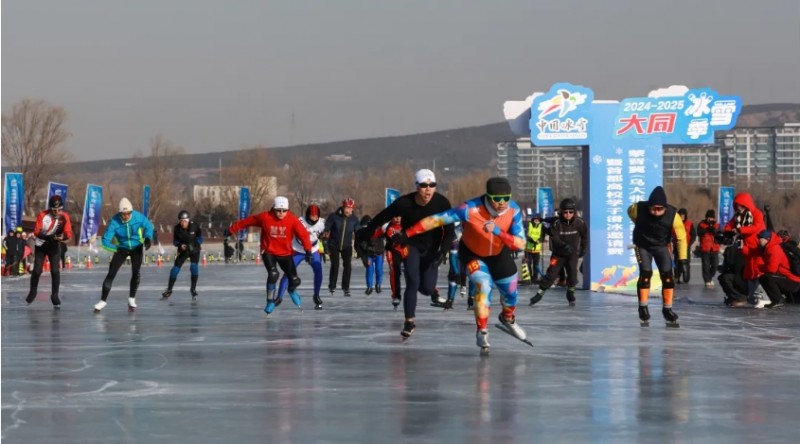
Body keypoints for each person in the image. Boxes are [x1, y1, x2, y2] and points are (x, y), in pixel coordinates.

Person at [391, 177, 526, 351]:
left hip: (499, 254)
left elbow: (520, 244)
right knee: (483, 286)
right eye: (497, 199)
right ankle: (482, 330)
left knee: (511, 294)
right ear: (488, 196)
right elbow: (435, 220)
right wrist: (407, 234)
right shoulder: (469, 208)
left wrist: (498, 231)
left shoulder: (513, 210)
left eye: (506, 198)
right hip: (472, 254)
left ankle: (507, 318)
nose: (502, 203)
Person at [364, 169, 454, 338]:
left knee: (427, 288)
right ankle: (409, 322)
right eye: (424, 186)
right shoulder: (404, 203)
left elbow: (450, 232)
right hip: (410, 245)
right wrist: (365, 235)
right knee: (412, 282)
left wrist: (443, 251)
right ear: (417, 186)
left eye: (432, 185)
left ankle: (423, 284)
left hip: (431, 249)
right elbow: (380, 218)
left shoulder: (441, 203)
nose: (428, 189)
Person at [229, 196, 312, 314]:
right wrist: (232, 229)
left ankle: (291, 290)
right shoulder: (265, 217)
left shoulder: (292, 220)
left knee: (295, 280)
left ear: (288, 210)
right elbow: (247, 221)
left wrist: (308, 251)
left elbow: (303, 235)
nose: (281, 213)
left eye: (284, 211)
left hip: (285, 253)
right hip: (268, 251)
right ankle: (270, 301)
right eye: (278, 210)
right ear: (273, 208)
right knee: (273, 274)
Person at [627, 186, 686, 327]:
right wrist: (638, 223)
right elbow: (629, 212)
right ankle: (643, 307)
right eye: (653, 208)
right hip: (642, 245)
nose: (656, 212)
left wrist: (683, 259)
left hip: (661, 246)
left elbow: (681, 238)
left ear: (665, 207)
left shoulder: (673, 215)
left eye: (660, 209)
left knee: (668, 277)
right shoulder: (637, 209)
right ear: (649, 206)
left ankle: (667, 309)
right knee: (646, 274)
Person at [94, 198, 154, 313]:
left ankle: (131, 299)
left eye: (128, 213)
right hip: (121, 248)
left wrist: (148, 238)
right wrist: (116, 249)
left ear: (131, 212)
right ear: (120, 213)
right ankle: (102, 301)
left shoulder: (137, 217)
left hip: (136, 247)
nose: (126, 216)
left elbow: (148, 226)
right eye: (123, 214)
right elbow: (105, 241)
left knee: (136, 272)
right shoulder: (114, 222)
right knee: (111, 273)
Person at [529, 198, 588, 307]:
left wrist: (584, 248)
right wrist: (564, 245)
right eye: (565, 212)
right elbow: (555, 238)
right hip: (558, 254)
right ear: (561, 212)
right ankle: (540, 293)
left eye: (571, 212)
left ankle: (570, 293)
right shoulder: (557, 223)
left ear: (574, 212)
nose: (568, 214)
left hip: (572, 254)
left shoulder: (579, 223)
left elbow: (585, 236)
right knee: (551, 275)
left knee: (572, 274)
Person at [25, 195, 73, 308]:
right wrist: (48, 237)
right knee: (37, 271)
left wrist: (62, 237)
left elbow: (68, 233)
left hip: (54, 246)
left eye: (59, 210)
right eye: (54, 210)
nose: (57, 212)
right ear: (50, 208)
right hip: (41, 245)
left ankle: (55, 295)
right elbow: (37, 231)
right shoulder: (43, 215)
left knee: (55, 271)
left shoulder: (65, 216)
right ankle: (33, 291)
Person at [277, 203, 326, 309]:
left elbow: (328, 234)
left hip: (313, 250)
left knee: (318, 271)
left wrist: (325, 241)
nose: (314, 219)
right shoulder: (300, 221)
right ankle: (279, 297)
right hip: (298, 249)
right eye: (311, 216)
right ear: (307, 215)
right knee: (288, 272)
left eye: (316, 217)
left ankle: (316, 295)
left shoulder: (322, 223)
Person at [722, 192, 766, 305]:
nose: (738, 208)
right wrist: (726, 232)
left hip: (757, 247)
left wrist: (740, 230)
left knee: (758, 271)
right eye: (736, 205)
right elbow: (729, 225)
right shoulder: (738, 216)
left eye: (740, 205)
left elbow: (756, 227)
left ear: (746, 204)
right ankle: (751, 296)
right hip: (746, 248)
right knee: (749, 272)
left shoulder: (757, 214)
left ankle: (760, 296)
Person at [161, 210, 203, 302]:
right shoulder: (177, 228)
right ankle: (169, 289)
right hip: (183, 250)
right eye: (181, 221)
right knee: (175, 269)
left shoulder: (195, 226)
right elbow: (175, 241)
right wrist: (180, 245)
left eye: (184, 221)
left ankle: (193, 289)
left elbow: (200, 238)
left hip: (194, 250)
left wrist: (195, 244)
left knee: (194, 267)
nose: (182, 223)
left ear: (188, 221)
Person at [323, 198, 360, 297]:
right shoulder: (334, 217)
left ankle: (346, 287)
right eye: (346, 208)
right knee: (335, 265)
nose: (348, 210)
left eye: (350, 208)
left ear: (352, 209)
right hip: (334, 244)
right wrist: (325, 243)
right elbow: (327, 229)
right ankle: (332, 286)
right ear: (343, 207)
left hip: (347, 245)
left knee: (347, 266)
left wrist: (360, 246)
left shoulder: (354, 219)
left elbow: (359, 233)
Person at [754, 230, 800, 308]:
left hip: (793, 280)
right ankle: (777, 299)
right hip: (787, 278)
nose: (758, 240)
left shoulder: (774, 248)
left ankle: (778, 300)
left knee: (766, 277)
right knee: (764, 277)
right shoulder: (768, 248)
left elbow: (772, 269)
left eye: (760, 238)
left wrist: (760, 267)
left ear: (767, 239)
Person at [354, 215, 385, 296]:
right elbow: (357, 246)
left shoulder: (377, 230)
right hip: (368, 254)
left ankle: (378, 284)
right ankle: (369, 287)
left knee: (378, 269)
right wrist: (363, 257)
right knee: (370, 269)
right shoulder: (359, 234)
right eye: (364, 228)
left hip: (378, 253)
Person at [696, 210, 721, 288]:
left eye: (712, 218)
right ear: (706, 218)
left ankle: (710, 277)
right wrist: (707, 229)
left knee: (715, 265)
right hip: (705, 248)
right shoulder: (701, 224)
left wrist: (714, 231)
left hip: (714, 248)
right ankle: (707, 280)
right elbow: (699, 233)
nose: (710, 219)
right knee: (706, 266)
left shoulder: (717, 225)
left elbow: (719, 234)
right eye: (709, 217)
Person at [673, 208, 696, 284]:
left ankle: (686, 278)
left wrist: (689, 243)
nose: (682, 217)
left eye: (683, 215)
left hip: (686, 246)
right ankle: (677, 277)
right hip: (677, 246)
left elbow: (693, 235)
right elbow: (671, 234)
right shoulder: (674, 223)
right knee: (677, 263)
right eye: (680, 215)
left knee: (686, 262)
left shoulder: (690, 224)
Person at [524, 214, 545, 284]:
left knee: (536, 265)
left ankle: (535, 278)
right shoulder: (529, 225)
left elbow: (542, 236)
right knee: (528, 264)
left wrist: (539, 240)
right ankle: (529, 278)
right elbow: (527, 235)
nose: (536, 220)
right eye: (535, 219)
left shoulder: (541, 226)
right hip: (528, 249)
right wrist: (532, 240)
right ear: (533, 219)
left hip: (537, 249)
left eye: (538, 219)